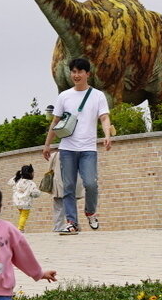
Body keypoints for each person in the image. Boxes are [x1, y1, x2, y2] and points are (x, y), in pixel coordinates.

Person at [41, 57, 114, 234]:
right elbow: (56, 122)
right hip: (67, 148)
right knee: (68, 186)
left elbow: (104, 117)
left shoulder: (97, 96)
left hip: (88, 148)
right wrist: (47, 144)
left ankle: (90, 211)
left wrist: (106, 136)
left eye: (80, 71)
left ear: (87, 74)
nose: (76, 75)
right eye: (73, 71)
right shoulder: (64, 96)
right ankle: (71, 222)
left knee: (90, 183)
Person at [9, 164, 40, 231]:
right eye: (33, 173)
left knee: (21, 215)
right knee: (24, 215)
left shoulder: (17, 180)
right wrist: (38, 193)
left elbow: (10, 183)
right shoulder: (31, 183)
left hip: (17, 201)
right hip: (26, 202)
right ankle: (20, 228)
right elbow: (35, 193)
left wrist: (18, 175)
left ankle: (21, 227)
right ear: (30, 173)